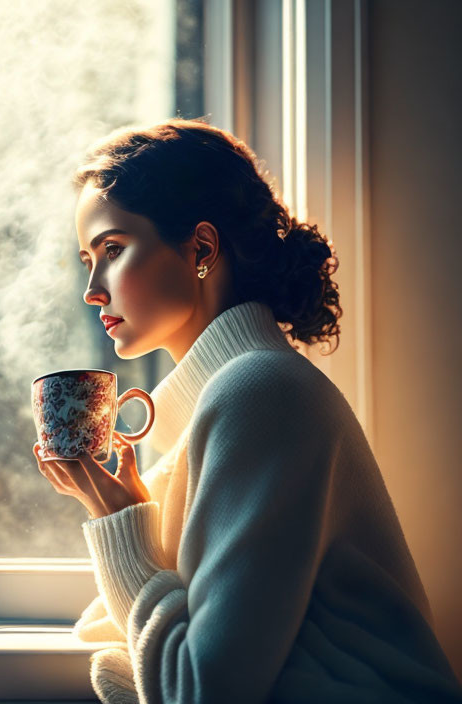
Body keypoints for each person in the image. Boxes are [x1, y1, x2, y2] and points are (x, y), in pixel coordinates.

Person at [32, 119, 462, 703]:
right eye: (88, 258)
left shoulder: (260, 393)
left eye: (112, 249)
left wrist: (121, 523)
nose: (93, 288)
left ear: (202, 250)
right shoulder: (229, 402)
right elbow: (116, 628)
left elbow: (199, 693)